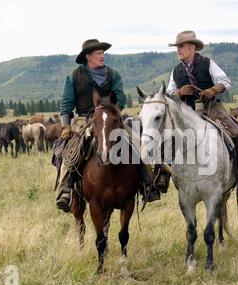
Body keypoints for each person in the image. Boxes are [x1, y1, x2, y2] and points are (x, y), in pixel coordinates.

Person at [55, 39, 160, 212]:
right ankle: (65, 188)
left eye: (102, 53)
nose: (102, 55)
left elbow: (120, 98)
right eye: (98, 53)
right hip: (83, 120)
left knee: (136, 141)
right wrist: (66, 126)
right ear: (88, 56)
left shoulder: (113, 75)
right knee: (70, 150)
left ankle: (147, 184)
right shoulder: (74, 76)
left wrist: (112, 114)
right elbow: (66, 104)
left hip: (111, 118)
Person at [166, 30, 238, 204]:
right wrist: (178, 92)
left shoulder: (208, 63)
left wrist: (213, 90)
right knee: (166, 137)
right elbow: (168, 92)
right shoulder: (176, 70)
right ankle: (160, 178)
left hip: (212, 108)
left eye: (181, 46)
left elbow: (225, 81)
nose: (178, 50)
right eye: (177, 47)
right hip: (187, 112)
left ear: (192, 47)